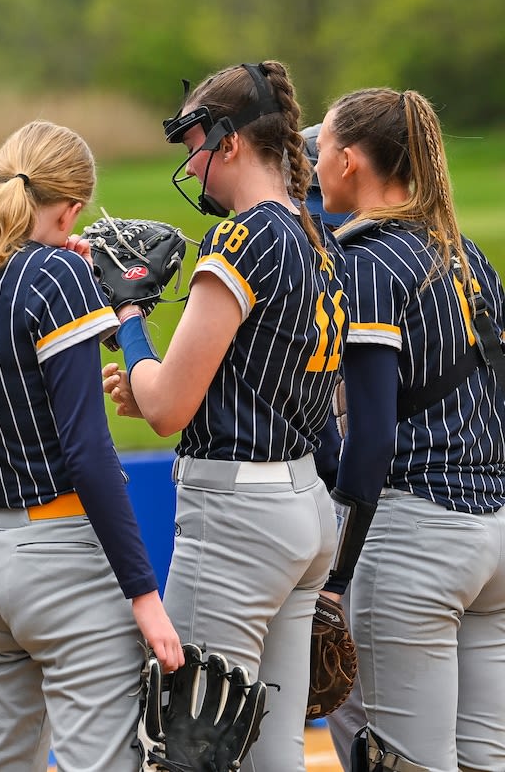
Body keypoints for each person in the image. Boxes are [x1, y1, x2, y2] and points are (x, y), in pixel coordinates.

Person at [0, 120, 182, 772]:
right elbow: (89, 452)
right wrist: (145, 593)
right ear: (68, 209)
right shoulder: (56, 273)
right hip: (56, 551)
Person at [103, 61, 344, 769]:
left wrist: (128, 314)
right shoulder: (315, 232)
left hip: (238, 518)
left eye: (197, 145)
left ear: (231, 141)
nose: (193, 164)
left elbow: (167, 408)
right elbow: (242, 380)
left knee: (192, 750)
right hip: (303, 506)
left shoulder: (241, 237)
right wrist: (149, 384)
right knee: (275, 752)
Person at [316, 87, 505, 770]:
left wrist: (336, 575)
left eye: (321, 151)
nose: (313, 167)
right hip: (493, 538)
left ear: (348, 160)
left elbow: (372, 441)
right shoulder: (468, 254)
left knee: (407, 762)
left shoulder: (365, 261)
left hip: (416, 538)